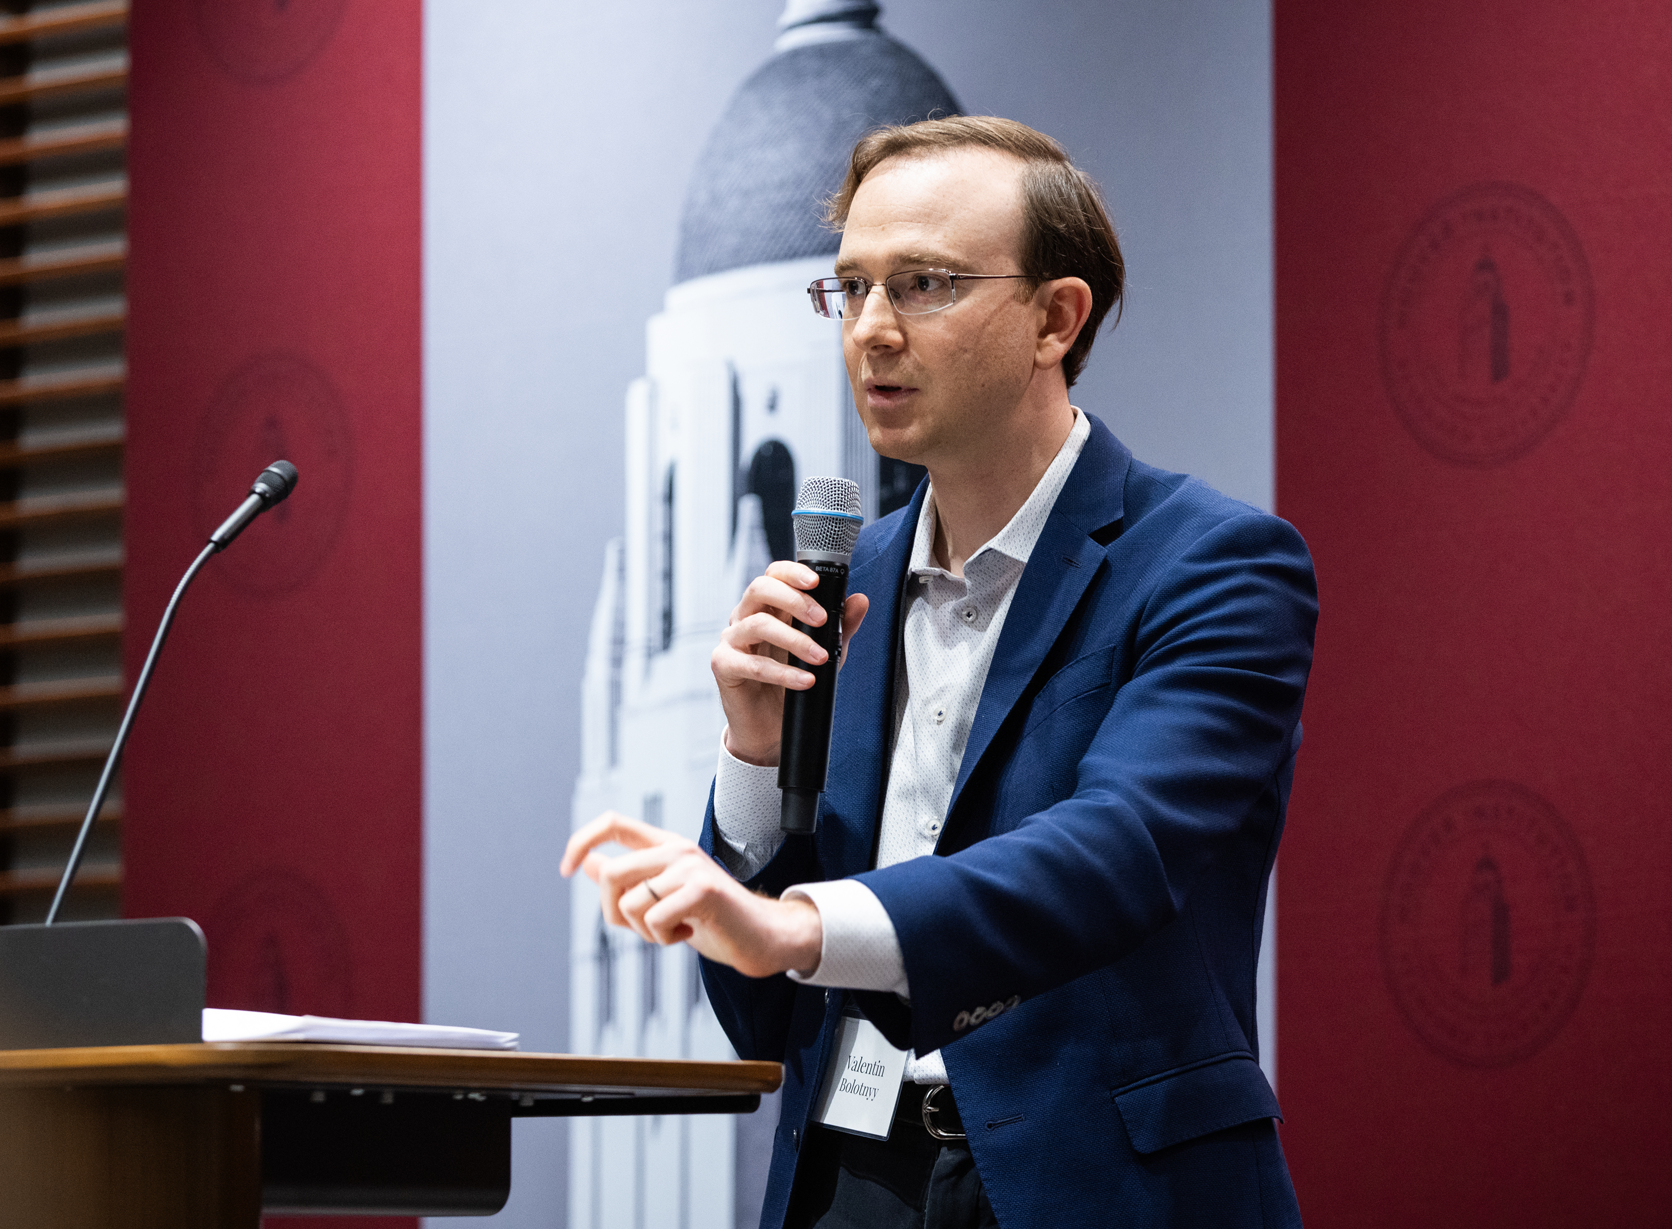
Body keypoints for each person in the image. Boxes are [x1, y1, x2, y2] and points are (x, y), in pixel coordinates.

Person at [562, 115, 1316, 1229]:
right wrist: (754, 762)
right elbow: (759, 1017)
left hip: (1100, 1183)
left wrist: (805, 923)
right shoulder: (837, 583)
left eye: (921, 284)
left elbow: (1120, 850)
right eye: (849, 288)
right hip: (844, 1179)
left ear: (1054, 318)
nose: (870, 329)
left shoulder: (1211, 562)